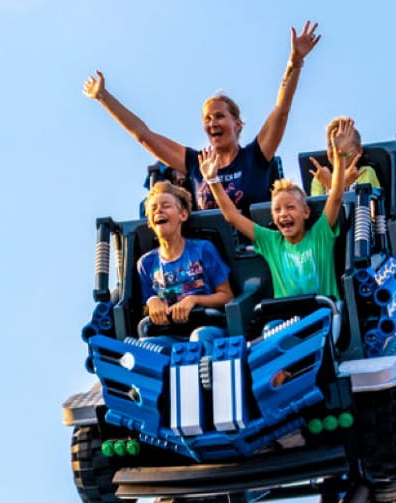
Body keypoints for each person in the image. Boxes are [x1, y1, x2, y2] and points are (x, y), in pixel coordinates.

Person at [83, 21, 322, 213]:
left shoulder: (255, 157)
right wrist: (103, 96)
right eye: (207, 120)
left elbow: (281, 111)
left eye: (219, 117)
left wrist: (295, 62)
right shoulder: (195, 163)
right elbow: (143, 135)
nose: (212, 123)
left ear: (236, 124)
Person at [201, 119, 360, 299]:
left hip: (324, 314)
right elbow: (232, 217)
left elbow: (336, 196)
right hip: (286, 319)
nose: (283, 214)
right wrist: (213, 180)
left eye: (290, 207)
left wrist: (339, 157)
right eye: (277, 210)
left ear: (306, 212)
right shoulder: (271, 242)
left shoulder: (320, 234)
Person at [138, 181, 234, 353]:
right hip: (171, 334)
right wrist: (153, 303)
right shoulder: (146, 264)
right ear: (149, 222)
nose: (158, 210)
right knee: (142, 348)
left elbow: (226, 296)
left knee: (199, 338)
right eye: (153, 209)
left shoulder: (202, 250)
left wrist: (194, 300)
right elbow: (149, 301)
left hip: (208, 328)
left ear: (182, 215)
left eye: (165, 206)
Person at [308, 117, 381, 196]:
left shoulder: (364, 172)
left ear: (359, 150)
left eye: (343, 144)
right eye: (331, 145)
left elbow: (366, 205)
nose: (336, 150)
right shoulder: (320, 179)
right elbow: (319, 207)